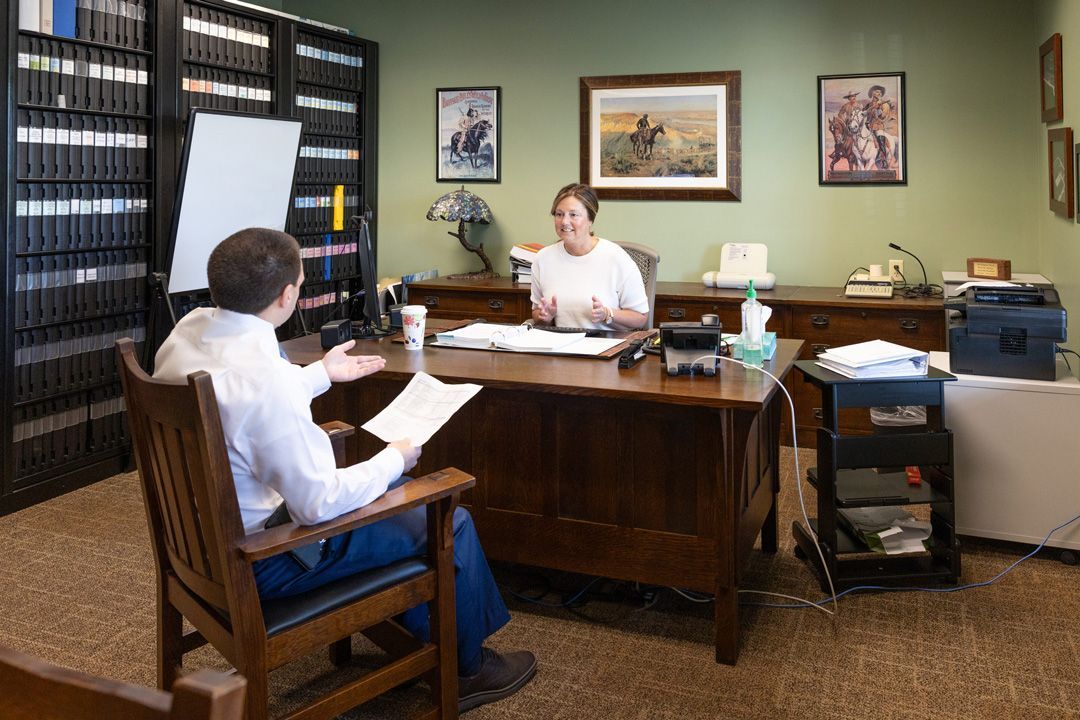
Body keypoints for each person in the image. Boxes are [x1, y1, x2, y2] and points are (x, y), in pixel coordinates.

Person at [152, 228, 536, 713]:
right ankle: (468, 669)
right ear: (288, 294)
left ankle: (419, 641)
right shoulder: (263, 380)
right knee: (448, 517)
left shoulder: (191, 329)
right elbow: (317, 504)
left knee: (398, 493)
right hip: (266, 559)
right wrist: (393, 455)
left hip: (197, 546)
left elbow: (244, 402)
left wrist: (319, 374)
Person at [531, 184, 649, 330]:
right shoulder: (542, 259)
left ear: (590, 220)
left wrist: (607, 313)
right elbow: (537, 313)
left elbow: (641, 317)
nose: (564, 222)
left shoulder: (616, 257)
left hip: (609, 347)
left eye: (573, 215)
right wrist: (545, 318)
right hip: (560, 346)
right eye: (559, 214)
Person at [863, 84, 894, 167]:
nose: (879, 93)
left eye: (880, 92)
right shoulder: (869, 105)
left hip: (878, 126)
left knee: (880, 139)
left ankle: (884, 160)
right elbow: (863, 115)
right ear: (872, 93)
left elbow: (883, 116)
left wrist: (878, 108)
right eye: (877, 92)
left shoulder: (885, 105)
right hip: (867, 127)